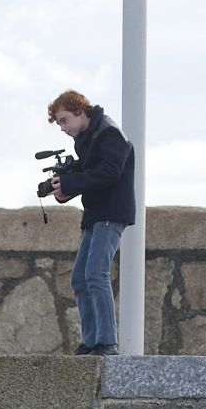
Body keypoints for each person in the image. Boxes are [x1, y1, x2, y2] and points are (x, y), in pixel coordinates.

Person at [48, 89, 136, 356]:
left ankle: (106, 342)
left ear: (80, 111)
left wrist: (71, 182)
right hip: (97, 213)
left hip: (111, 212)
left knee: (96, 274)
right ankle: (91, 342)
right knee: (79, 279)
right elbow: (91, 174)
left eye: (64, 120)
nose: (63, 128)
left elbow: (110, 172)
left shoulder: (108, 132)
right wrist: (65, 189)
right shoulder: (87, 137)